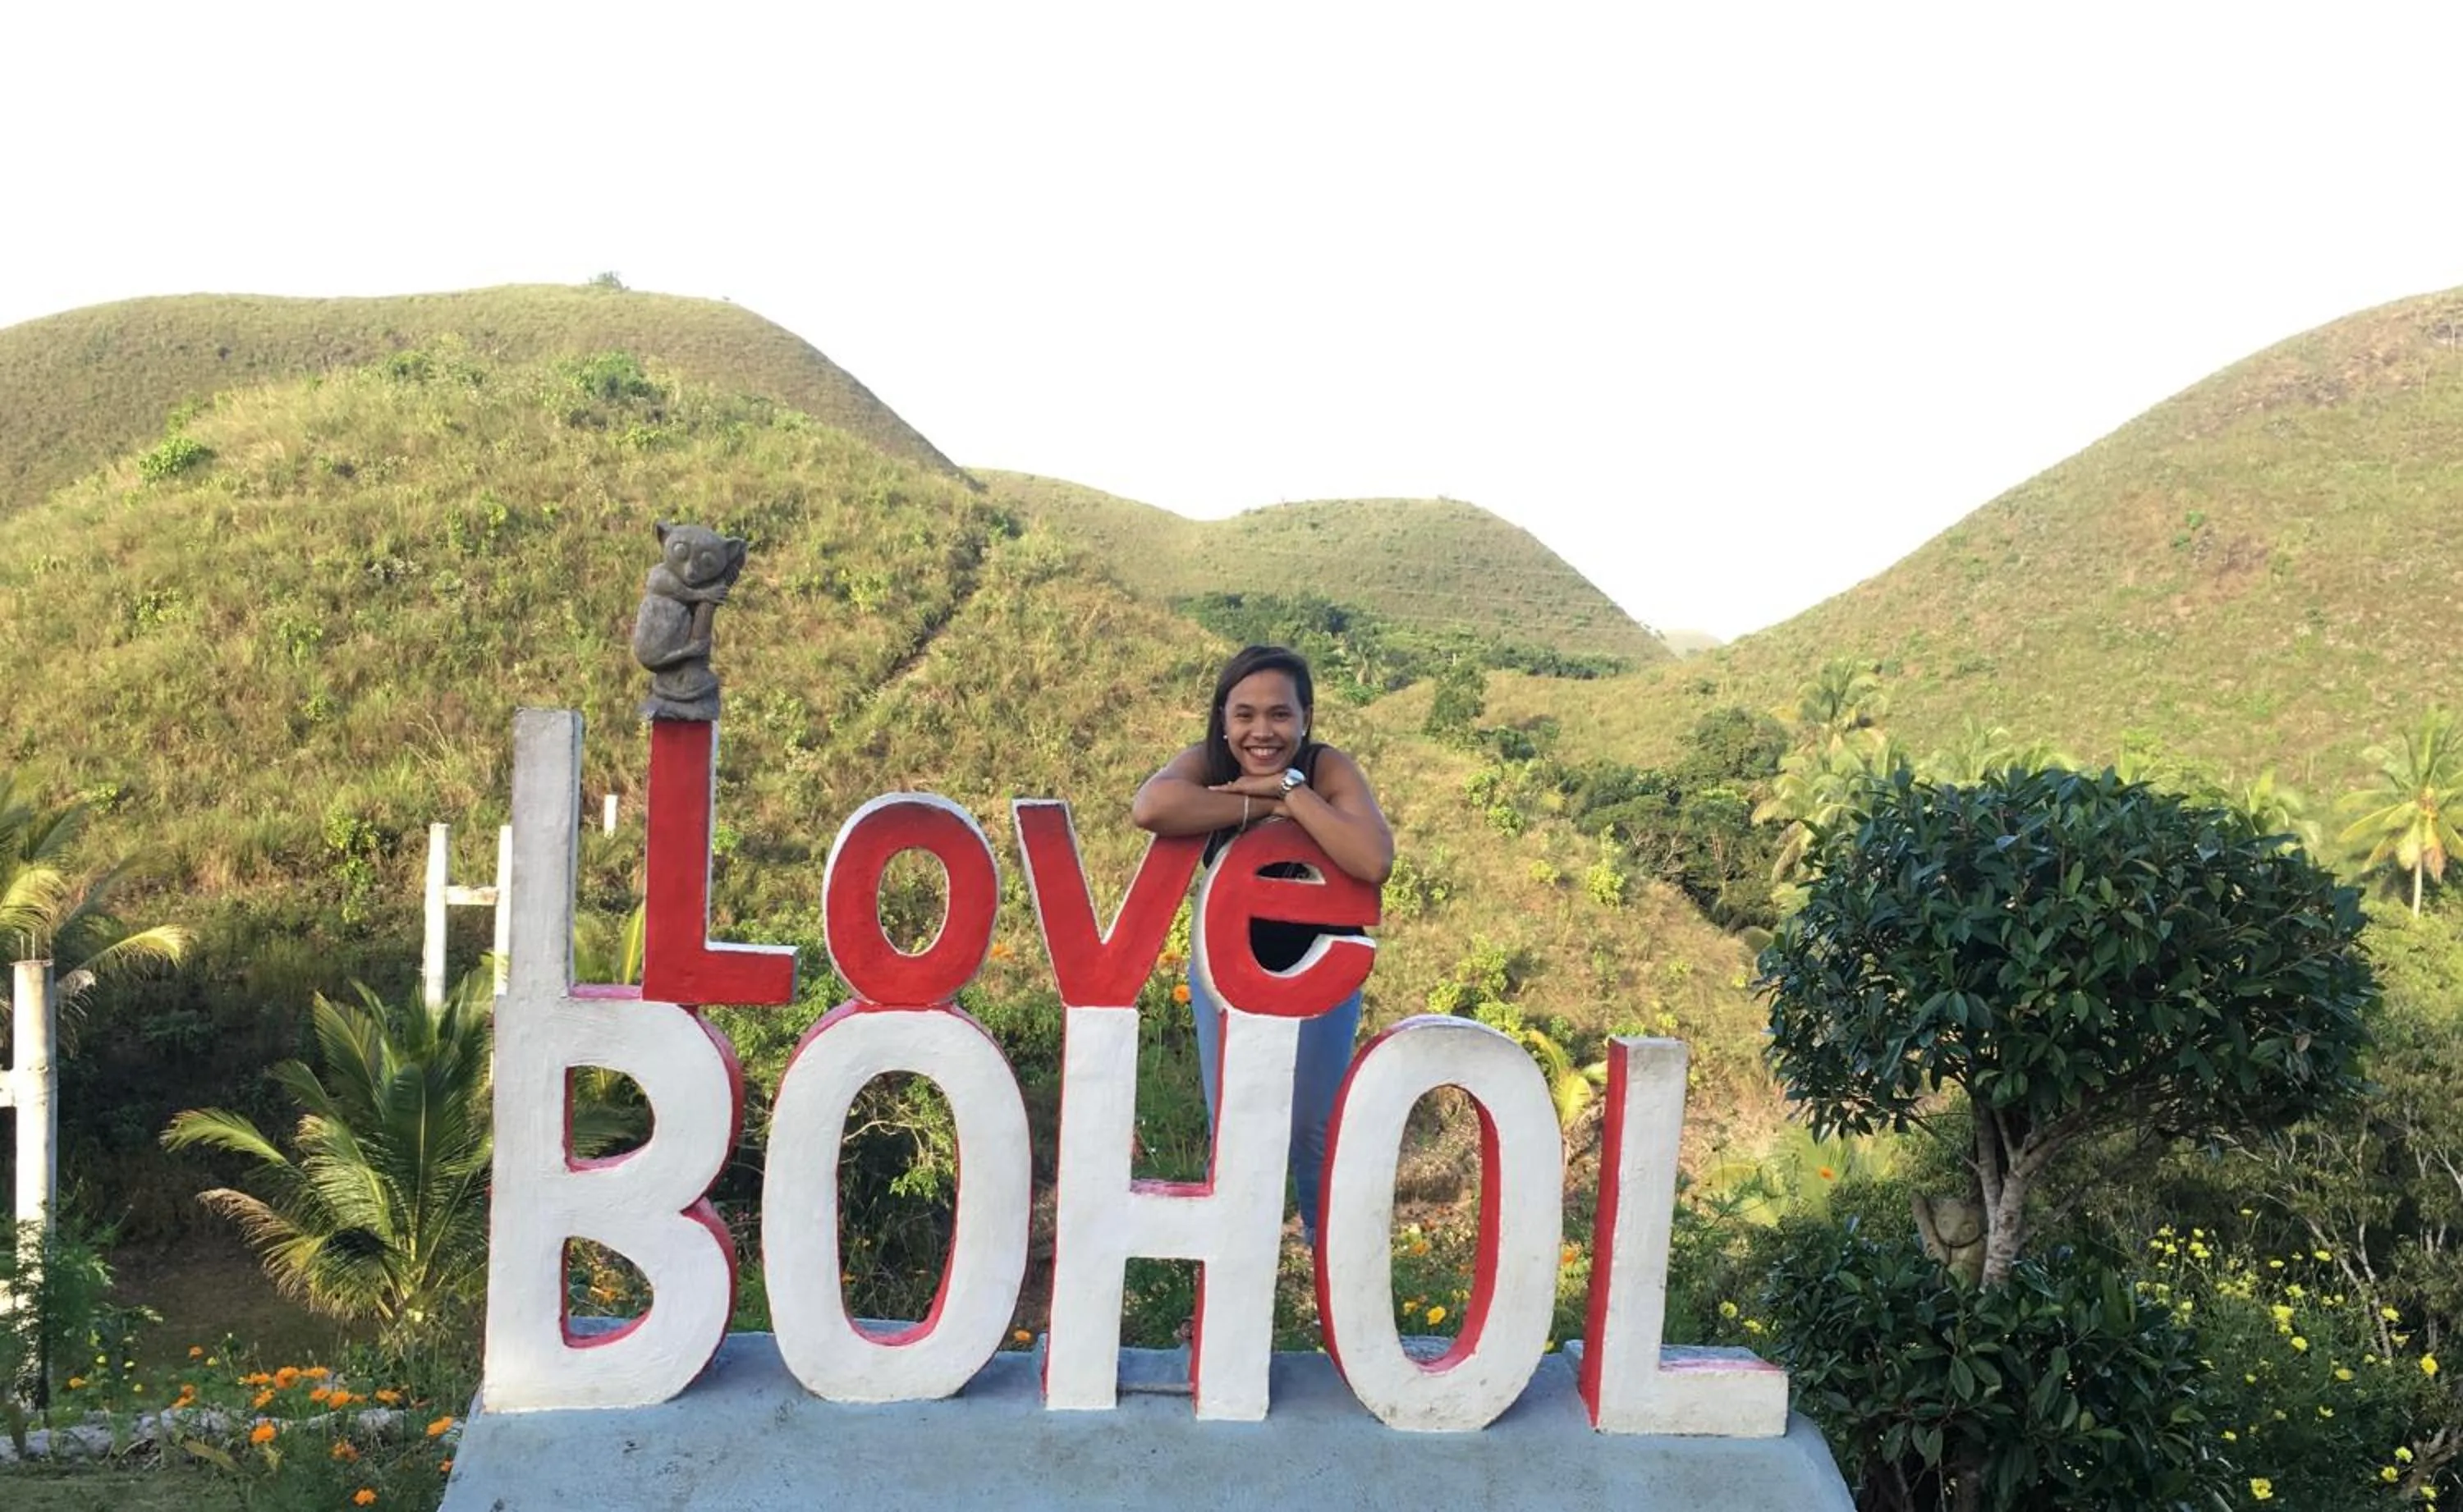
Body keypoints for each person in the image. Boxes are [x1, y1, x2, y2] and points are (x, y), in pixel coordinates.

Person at [1131, 644, 1394, 1245]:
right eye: (1244, 713)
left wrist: (1294, 795)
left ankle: (1329, 1277)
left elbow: (1372, 858)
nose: (1262, 730)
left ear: (1306, 717)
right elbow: (1151, 807)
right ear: (1224, 717)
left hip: (1322, 965)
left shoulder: (1328, 769)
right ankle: (1226, 1276)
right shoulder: (1207, 761)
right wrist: (1261, 800)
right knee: (1234, 1128)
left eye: (1280, 714)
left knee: (1312, 1131)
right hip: (1228, 969)